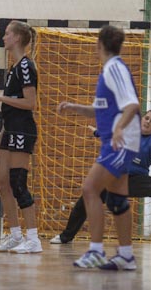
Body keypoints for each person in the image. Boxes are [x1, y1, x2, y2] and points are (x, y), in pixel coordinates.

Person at [50, 109, 151, 244]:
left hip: (135, 179)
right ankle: (65, 237)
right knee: (86, 200)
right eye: (146, 118)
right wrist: (97, 132)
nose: (148, 122)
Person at [57, 24, 141, 270]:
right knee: (117, 200)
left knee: (90, 188)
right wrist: (75, 107)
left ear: (99, 45)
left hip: (120, 141)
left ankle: (96, 251)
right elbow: (102, 111)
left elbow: (132, 105)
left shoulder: (114, 68)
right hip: (117, 140)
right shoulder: (109, 70)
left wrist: (119, 129)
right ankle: (126, 256)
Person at [0, 20, 42, 254]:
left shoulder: (26, 66)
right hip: (11, 130)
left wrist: (0, 98)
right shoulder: (13, 68)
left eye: (7, 34)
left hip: (23, 130)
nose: (4, 37)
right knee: (2, 182)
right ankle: (16, 235)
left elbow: (30, 103)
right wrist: (1, 139)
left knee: (18, 183)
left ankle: (33, 239)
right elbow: (11, 110)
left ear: (17, 38)